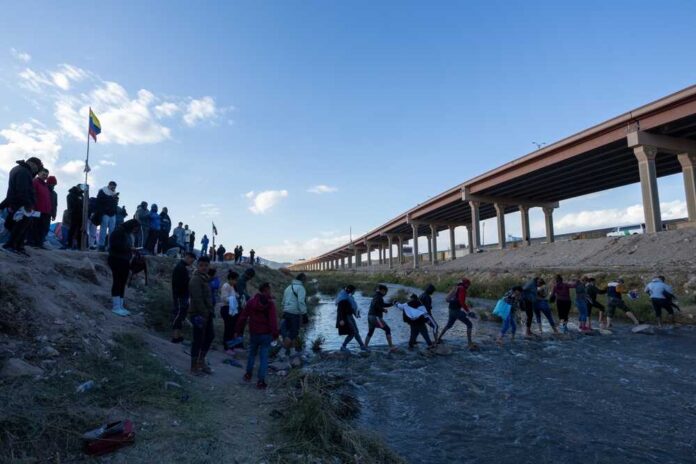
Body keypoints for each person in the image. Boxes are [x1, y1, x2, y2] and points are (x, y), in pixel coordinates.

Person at [235, 282, 279, 390]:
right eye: (269, 289)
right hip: (266, 335)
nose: (270, 292)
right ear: (266, 290)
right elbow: (273, 321)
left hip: (254, 333)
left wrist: (238, 330)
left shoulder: (251, 302)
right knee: (264, 358)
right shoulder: (270, 304)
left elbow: (243, 317)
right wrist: (275, 334)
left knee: (251, 354)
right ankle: (260, 381)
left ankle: (248, 375)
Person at [2, 157, 43, 256]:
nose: (37, 171)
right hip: (22, 204)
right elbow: (22, 190)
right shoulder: (24, 172)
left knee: (22, 225)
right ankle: (11, 245)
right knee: (20, 226)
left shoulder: (20, 169)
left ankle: (18, 246)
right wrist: (28, 204)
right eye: (38, 167)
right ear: (33, 164)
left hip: (17, 202)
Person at [189, 256, 214, 375]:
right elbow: (197, 299)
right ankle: (194, 367)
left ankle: (201, 361)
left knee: (210, 336)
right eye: (202, 265)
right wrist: (204, 313)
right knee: (197, 339)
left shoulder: (205, 278)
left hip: (207, 313)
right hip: (198, 314)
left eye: (206, 265)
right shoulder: (195, 280)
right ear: (198, 266)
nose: (204, 267)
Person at [108, 219, 139, 317]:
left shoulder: (127, 233)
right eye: (135, 229)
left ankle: (120, 306)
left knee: (122, 283)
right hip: (116, 259)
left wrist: (131, 250)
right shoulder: (118, 231)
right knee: (117, 282)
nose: (134, 231)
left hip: (125, 260)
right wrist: (129, 248)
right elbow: (115, 246)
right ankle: (116, 307)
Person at [437, 278, 476, 349]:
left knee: (449, 325)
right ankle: (469, 343)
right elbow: (462, 302)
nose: (468, 286)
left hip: (451, 309)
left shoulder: (456, 288)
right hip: (456, 311)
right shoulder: (463, 289)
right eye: (468, 285)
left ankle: (438, 339)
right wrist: (468, 312)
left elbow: (449, 299)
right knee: (469, 324)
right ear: (466, 284)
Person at [171, 252, 196, 343]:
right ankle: (175, 336)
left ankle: (178, 336)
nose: (191, 263)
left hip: (182, 295)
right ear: (188, 257)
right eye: (191, 261)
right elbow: (180, 284)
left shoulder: (182, 267)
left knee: (181, 315)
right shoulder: (180, 268)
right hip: (180, 295)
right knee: (178, 315)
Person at [281, 273, 308, 357]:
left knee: (289, 332)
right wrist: (304, 314)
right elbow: (301, 302)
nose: (306, 280)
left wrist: (286, 310)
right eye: (305, 279)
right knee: (293, 333)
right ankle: (282, 352)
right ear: (302, 279)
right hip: (294, 313)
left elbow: (283, 301)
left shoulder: (288, 288)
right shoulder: (301, 288)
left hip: (286, 312)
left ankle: (292, 352)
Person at [336, 285, 368, 352]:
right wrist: (341, 319)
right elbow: (340, 310)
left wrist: (355, 314)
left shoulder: (348, 297)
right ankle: (343, 346)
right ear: (350, 290)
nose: (354, 292)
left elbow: (351, 308)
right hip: (345, 317)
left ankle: (362, 346)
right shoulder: (343, 298)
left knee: (356, 332)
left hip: (350, 316)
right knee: (352, 333)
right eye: (354, 291)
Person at [365, 284, 396, 351]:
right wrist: (383, 310)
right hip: (375, 317)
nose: (385, 293)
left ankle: (365, 347)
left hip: (370, 316)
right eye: (385, 292)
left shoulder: (376, 296)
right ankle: (391, 347)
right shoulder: (378, 297)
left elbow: (382, 304)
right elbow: (375, 305)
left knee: (370, 332)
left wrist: (392, 304)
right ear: (382, 290)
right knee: (387, 329)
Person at [28, 167, 51, 248]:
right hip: (37, 209)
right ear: (39, 173)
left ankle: (39, 243)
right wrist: (33, 206)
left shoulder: (45, 185)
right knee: (35, 227)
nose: (45, 176)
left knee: (43, 228)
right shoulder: (35, 182)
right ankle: (32, 242)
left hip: (46, 211)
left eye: (46, 175)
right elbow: (32, 194)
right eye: (43, 174)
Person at [219, 270, 241, 353]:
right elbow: (224, 298)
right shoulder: (226, 286)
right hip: (226, 308)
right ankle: (226, 347)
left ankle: (231, 346)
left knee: (232, 328)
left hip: (231, 309)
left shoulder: (232, 286)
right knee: (228, 328)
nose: (236, 282)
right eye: (235, 280)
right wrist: (233, 299)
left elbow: (235, 295)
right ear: (231, 279)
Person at [96, 181, 119, 252]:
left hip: (113, 214)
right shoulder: (102, 191)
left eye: (115, 187)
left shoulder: (114, 194)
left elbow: (115, 204)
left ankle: (110, 246)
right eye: (113, 186)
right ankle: (101, 245)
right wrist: (111, 198)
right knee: (103, 230)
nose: (114, 188)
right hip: (105, 213)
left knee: (112, 231)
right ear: (109, 185)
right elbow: (99, 200)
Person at [65, 185, 84, 250]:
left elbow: (83, 204)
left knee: (80, 230)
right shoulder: (71, 194)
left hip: (81, 215)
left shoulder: (81, 195)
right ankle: (69, 245)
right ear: (78, 187)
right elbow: (71, 205)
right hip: (73, 214)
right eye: (81, 188)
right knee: (72, 229)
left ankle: (79, 246)